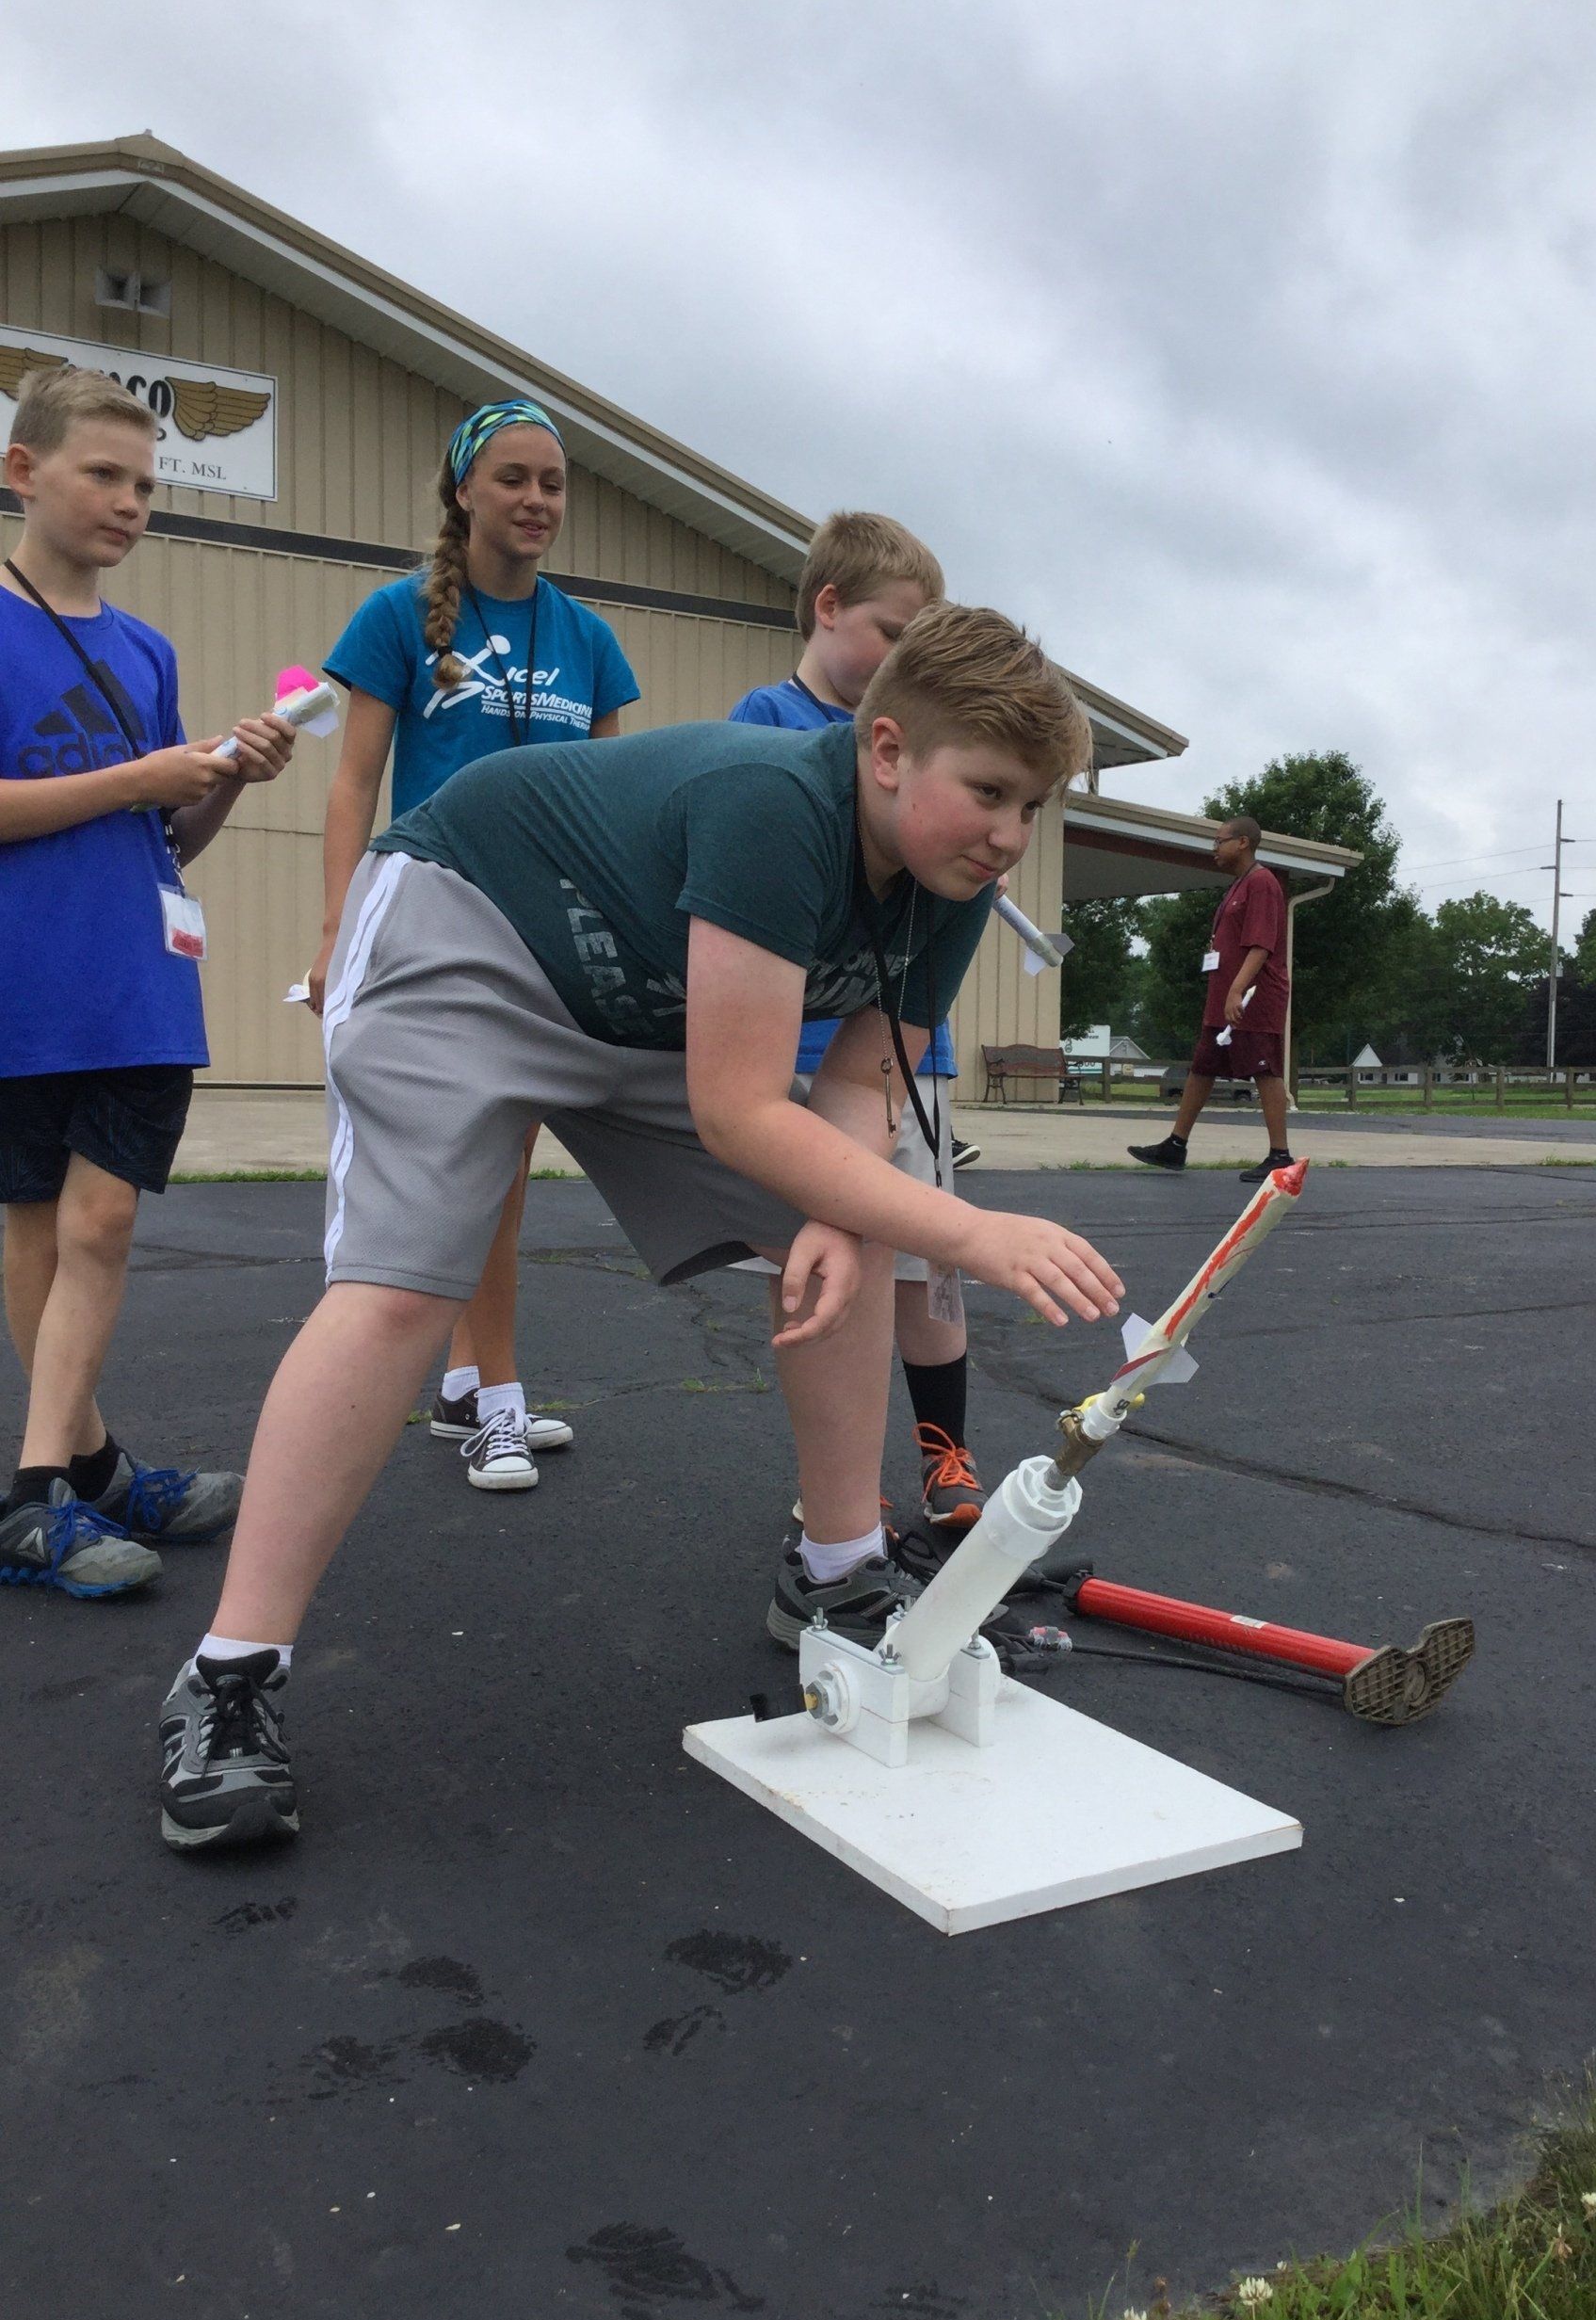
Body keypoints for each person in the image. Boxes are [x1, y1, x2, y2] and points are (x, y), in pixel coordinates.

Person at [155, 601, 1120, 1851]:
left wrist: (848, 1202)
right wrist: (972, 1232)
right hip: (472, 926)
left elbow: (866, 1086)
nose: (1010, 834)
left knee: (851, 1228)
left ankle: (834, 1572)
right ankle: (229, 1675)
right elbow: (734, 1108)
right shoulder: (776, 802)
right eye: (989, 791)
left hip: (637, 1005)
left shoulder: (952, 884)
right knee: (405, 1285)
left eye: (1033, 808)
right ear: (887, 751)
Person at [0, 366, 295, 1596]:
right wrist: (137, 778)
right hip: (23, 984)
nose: (132, 502)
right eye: (104, 475)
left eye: (147, 483)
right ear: (23, 471)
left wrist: (219, 776)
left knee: (100, 1221)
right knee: (31, 1229)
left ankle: (41, 1494)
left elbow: (163, 845)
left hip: (135, 984)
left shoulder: (148, 651)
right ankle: (91, 1475)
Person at [311, 400, 640, 1492]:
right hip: (436, 925)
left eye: (552, 481)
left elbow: (613, 809)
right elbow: (354, 783)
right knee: (480, 1169)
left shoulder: (589, 640)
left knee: (510, 1166)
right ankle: (494, 1395)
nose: (538, 500)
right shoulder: (398, 619)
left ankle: (467, 1382)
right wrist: (337, 931)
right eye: (514, 478)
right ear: (464, 490)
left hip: (545, 932)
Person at [731, 512, 987, 1532]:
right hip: (796, 1055)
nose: (901, 664)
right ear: (827, 608)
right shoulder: (767, 722)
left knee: (925, 1268)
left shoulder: (923, 747)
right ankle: (841, 1481)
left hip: (904, 1053)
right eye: (891, 635)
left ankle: (945, 1447)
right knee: (828, 1273)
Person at [1128, 816, 1295, 1184]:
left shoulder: (1263, 883)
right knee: (1203, 1066)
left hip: (1253, 997)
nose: (1214, 849)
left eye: (1219, 841)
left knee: (1264, 1069)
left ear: (1243, 843)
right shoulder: (1237, 886)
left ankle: (1280, 1155)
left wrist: (1237, 989)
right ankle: (1176, 1145)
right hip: (1223, 998)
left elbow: (1261, 945)